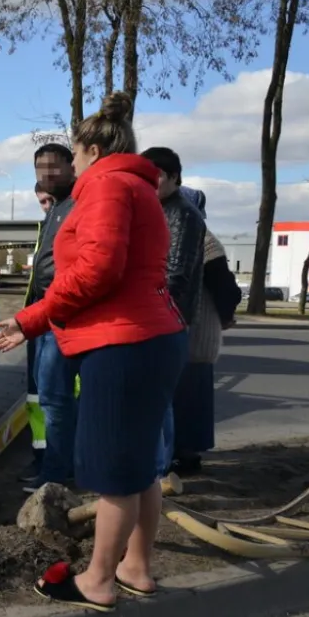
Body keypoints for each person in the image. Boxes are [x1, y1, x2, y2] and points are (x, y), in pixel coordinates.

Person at [0, 92, 188, 613]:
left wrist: (32, 318)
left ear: (94, 150)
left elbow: (97, 271)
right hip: (153, 336)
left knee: (112, 469)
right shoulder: (134, 187)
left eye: (74, 155)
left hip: (123, 343)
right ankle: (136, 567)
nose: (71, 165)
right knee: (140, 465)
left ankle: (97, 580)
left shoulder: (103, 188)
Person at [141, 147, 206, 481]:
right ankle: (155, 466)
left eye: (157, 177)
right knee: (153, 396)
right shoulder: (158, 209)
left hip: (167, 319)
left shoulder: (182, 214)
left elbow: (176, 276)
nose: (149, 183)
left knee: (158, 397)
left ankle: (157, 469)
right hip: (156, 317)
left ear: (174, 177)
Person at [19, 146, 80, 493]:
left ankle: (57, 475)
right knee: (44, 395)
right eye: (40, 169)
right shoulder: (56, 211)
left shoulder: (76, 206)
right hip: (44, 314)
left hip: (61, 316)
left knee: (56, 397)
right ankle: (51, 467)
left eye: (53, 168)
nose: (46, 175)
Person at [172, 230, 243, 475]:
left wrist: (225, 314)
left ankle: (183, 456)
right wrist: (226, 315)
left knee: (185, 398)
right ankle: (184, 455)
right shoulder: (203, 240)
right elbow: (227, 290)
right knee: (190, 400)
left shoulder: (202, 241)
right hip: (193, 334)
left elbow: (223, 286)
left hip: (191, 334)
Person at [19, 181, 58, 483]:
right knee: (35, 396)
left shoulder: (67, 220)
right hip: (39, 321)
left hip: (57, 320)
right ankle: (42, 458)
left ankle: (59, 463)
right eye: (41, 202)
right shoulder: (46, 225)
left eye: (49, 200)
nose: (46, 206)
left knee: (58, 396)